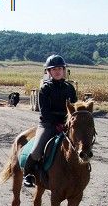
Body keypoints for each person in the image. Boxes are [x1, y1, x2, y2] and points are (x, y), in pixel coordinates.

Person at [23, 54, 78, 187]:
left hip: (66, 124)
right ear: (49, 72)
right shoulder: (45, 89)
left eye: (60, 68)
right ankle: (28, 174)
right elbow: (45, 112)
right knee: (37, 150)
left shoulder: (70, 88)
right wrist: (58, 123)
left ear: (64, 70)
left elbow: (74, 107)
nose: (57, 71)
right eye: (54, 69)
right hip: (48, 124)